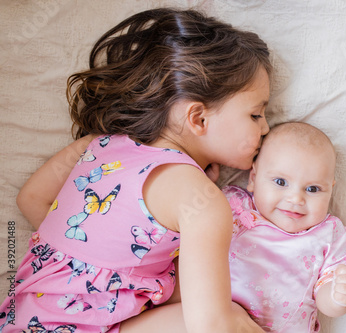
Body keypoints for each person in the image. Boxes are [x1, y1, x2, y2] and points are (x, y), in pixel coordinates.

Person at [0, 8, 271, 333]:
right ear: (198, 118)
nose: (267, 128)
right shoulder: (203, 201)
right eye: (256, 115)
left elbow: (31, 199)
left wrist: (99, 262)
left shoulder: (97, 144)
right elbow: (211, 326)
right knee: (234, 319)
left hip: (22, 322)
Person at [223, 122, 346, 332]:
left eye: (312, 189)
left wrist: (339, 296)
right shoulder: (235, 207)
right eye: (281, 182)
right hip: (221, 322)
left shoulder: (329, 234)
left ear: (330, 190)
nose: (296, 198)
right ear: (253, 179)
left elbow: (326, 302)